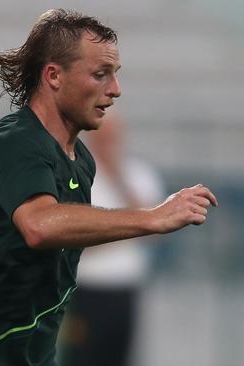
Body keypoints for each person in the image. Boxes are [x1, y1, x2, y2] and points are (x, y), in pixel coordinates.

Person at [0, 9, 218, 366]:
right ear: (54, 75)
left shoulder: (80, 159)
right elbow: (39, 226)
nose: (115, 90)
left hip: (29, 356)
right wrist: (153, 216)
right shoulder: (16, 141)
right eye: (100, 75)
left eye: (115, 76)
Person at [59, 113, 165, 366]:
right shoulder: (75, 175)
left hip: (125, 289)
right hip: (86, 291)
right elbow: (73, 240)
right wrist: (128, 232)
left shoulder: (138, 174)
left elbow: (154, 228)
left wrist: (117, 177)